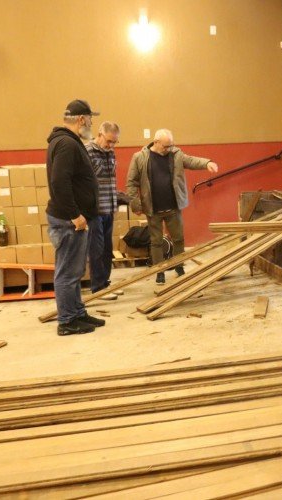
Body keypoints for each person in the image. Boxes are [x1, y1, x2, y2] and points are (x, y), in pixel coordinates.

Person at [126, 129, 219, 284]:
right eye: (166, 146)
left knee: (178, 239)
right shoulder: (140, 157)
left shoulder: (175, 154)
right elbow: (131, 182)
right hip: (152, 208)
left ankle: (178, 266)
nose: (169, 149)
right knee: (156, 242)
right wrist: (135, 205)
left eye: (171, 145)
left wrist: (207, 163)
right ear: (155, 142)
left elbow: (191, 161)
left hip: (173, 207)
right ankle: (159, 272)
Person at [45, 99, 106, 336]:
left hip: (73, 219)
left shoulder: (67, 141)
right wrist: (75, 215)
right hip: (69, 220)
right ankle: (68, 321)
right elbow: (59, 183)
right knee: (68, 272)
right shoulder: (67, 144)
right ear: (81, 119)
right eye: (91, 118)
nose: (92, 122)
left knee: (75, 270)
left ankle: (78, 313)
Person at [85, 121, 121, 300]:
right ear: (99, 134)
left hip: (109, 207)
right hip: (95, 210)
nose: (111, 145)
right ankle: (97, 287)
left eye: (115, 142)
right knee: (96, 249)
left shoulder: (110, 153)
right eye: (109, 141)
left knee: (107, 248)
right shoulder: (87, 151)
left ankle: (105, 283)